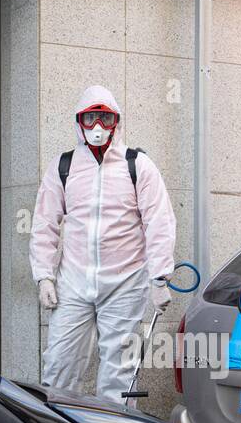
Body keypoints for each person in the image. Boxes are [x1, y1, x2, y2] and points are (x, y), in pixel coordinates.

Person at [30, 85, 177, 402]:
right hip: (73, 283)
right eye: (91, 118)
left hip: (125, 283)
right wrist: (44, 274)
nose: (98, 127)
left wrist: (160, 277)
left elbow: (159, 221)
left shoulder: (137, 166)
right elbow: (44, 222)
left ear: (117, 122)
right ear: (79, 122)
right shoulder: (63, 167)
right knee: (59, 366)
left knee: (119, 374)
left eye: (105, 118)